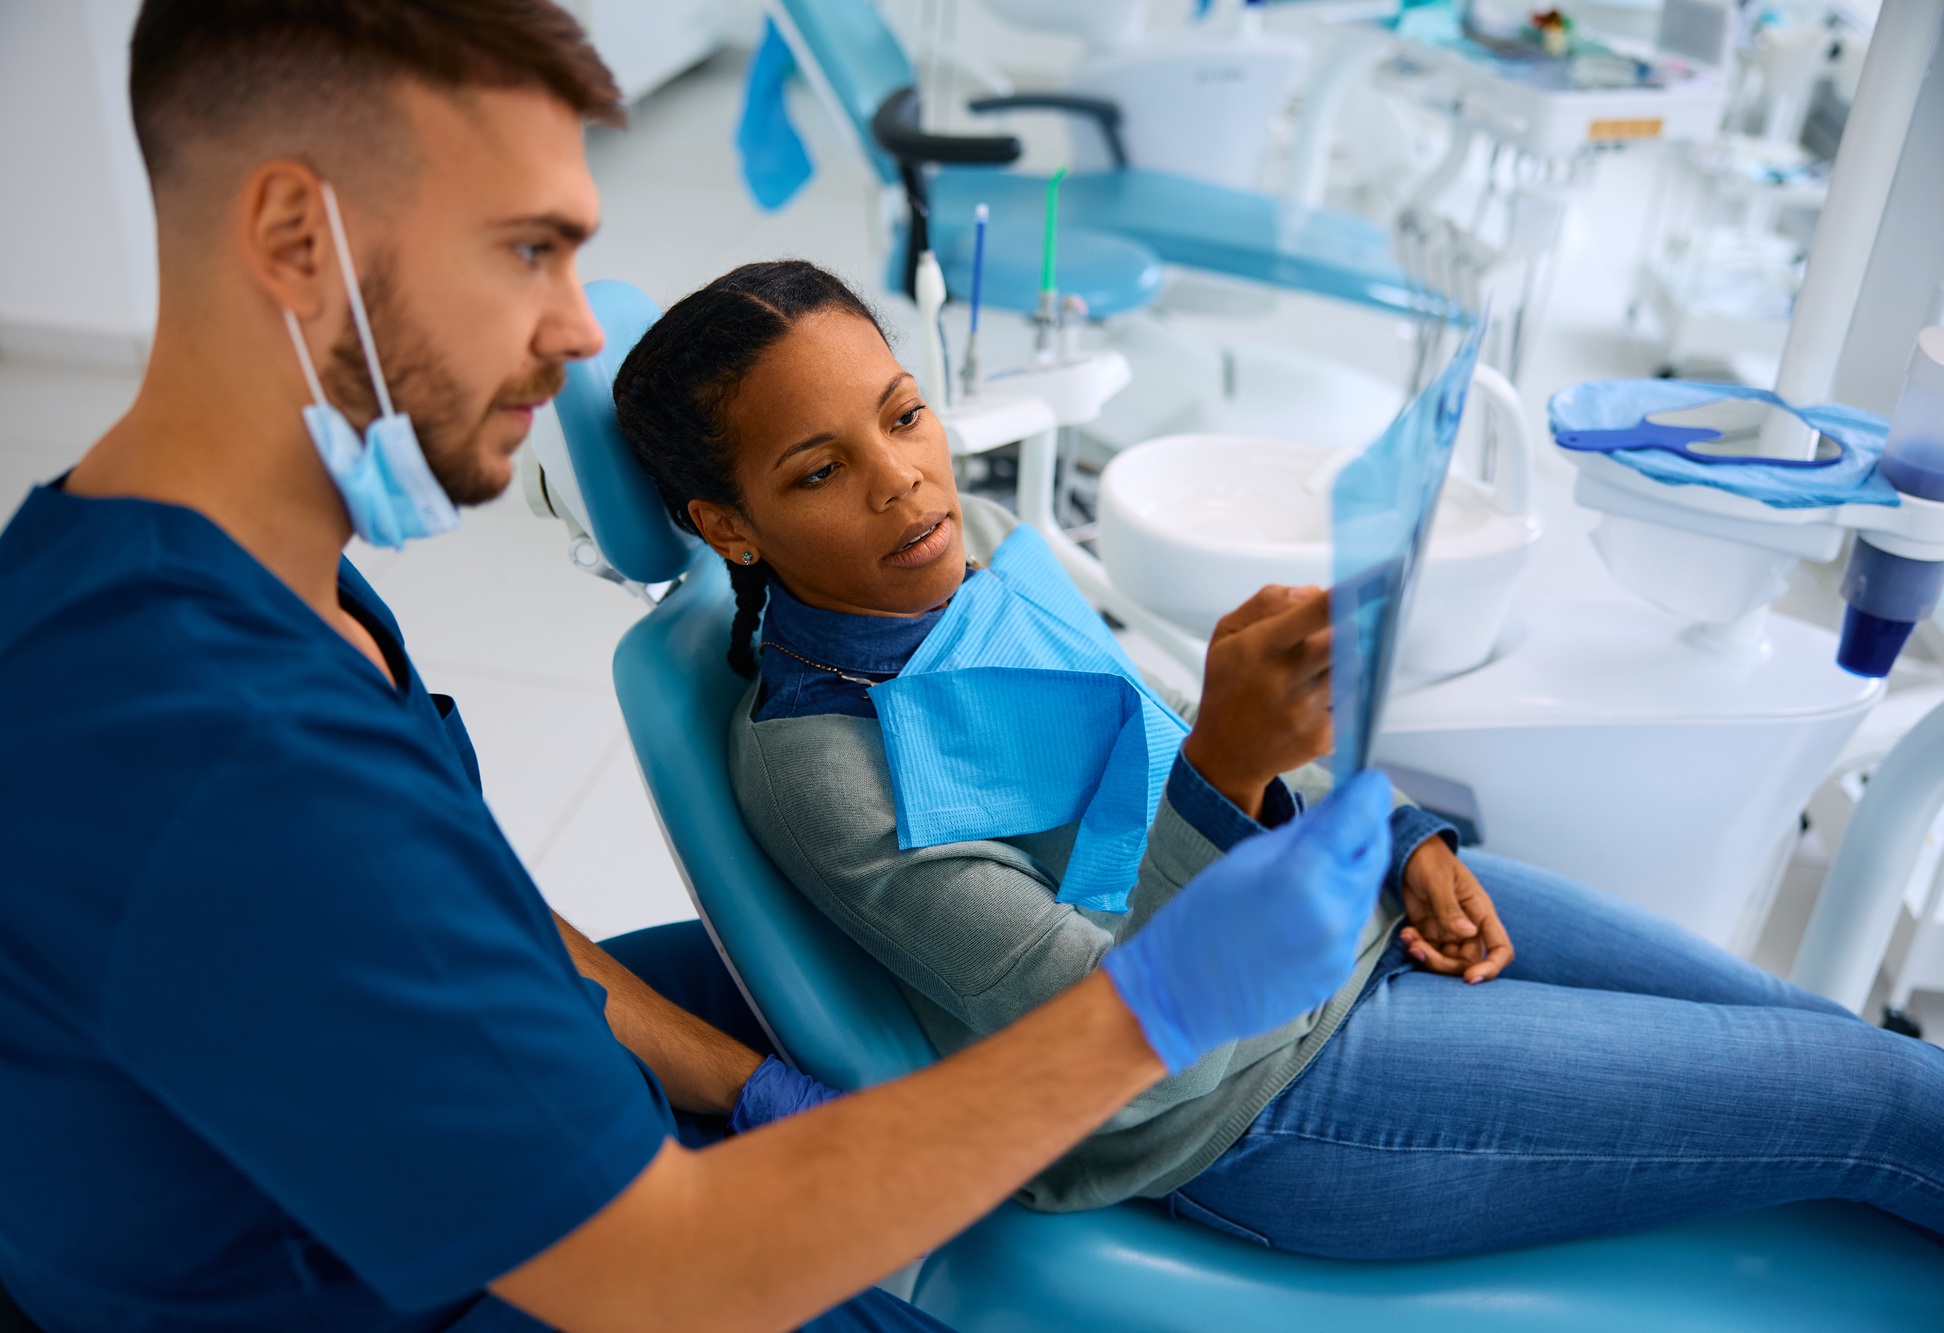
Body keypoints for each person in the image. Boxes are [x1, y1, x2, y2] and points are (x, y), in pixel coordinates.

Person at [0, 4, 1401, 1332]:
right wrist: (1148, 1008)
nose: (579, 330)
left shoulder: (225, 577)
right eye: (527, 249)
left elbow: (479, 912)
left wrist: (736, 1073)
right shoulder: (215, 747)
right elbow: (667, 1276)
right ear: (294, 238)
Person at [612, 257, 1944, 1259]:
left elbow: (1148, 768)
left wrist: (1399, 832)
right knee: (1879, 1096)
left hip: (1346, 905)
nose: (905, 482)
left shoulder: (956, 575)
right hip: (1257, 1095)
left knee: (1817, 1037)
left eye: (904, 417)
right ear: (728, 523)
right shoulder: (817, 766)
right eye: (817, 471)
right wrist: (1226, 766)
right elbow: (1117, 1038)